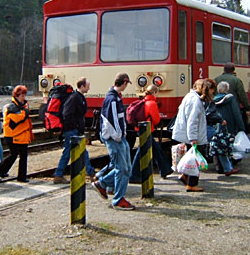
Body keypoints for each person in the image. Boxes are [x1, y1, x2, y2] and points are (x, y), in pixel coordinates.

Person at [91, 72, 136, 210]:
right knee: (122, 168)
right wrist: (119, 135)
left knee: (125, 168)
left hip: (117, 137)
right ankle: (118, 199)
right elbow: (113, 120)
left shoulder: (114, 97)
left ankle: (103, 184)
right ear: (124, 82)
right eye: (127, 84)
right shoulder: (113, 99)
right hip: (115, 138)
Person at [172, 78, 214, 192]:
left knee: (191, 158)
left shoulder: (189, 96)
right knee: (195, 159)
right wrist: (193, 138)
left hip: (189, 134)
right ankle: (192, 184)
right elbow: (192, 120)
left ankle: (185, 176)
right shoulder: (195, 101)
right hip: (193, 136)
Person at [54, 77, 96, 184]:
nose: (89, 88)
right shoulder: (74, 98)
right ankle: (59, 174)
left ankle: (89, 172)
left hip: (74, 130)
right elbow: (67, 114)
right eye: (88, 86)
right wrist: (76, 127)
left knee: (77, 152)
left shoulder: (78, 97)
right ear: (82, 86)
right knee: (69, 152)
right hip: (72, 131)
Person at [129, 84, 173, 183]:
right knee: (142, 152)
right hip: (147, 130)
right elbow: (156, 120)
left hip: (139, 129)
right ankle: (134, 175)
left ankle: (165, 169)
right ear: (154, 93)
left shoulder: (142, 101)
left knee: (155, 149)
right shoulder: (152, 103)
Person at [0, 85, 33, 183]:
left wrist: (25, 110)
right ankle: (1, 169)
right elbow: (19, 118)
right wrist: (26, 111)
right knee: (14, 154)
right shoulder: (12, 107)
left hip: (21, 135)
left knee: (21, 155)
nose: (23, 97)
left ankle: (20, 176)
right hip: (12, 135)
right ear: (16, 95)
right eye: (21, 95)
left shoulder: (21, 106)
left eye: (24, 95)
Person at [210, 81, 244, 175]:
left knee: (217, 144)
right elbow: (236, 113)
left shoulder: (213, 99)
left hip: (217, 124)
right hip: (229, 124)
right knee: (227, 145)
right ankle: (228, 167)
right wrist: (241, 127)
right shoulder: (230, 98)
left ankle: (218, 166)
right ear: (227, 89)